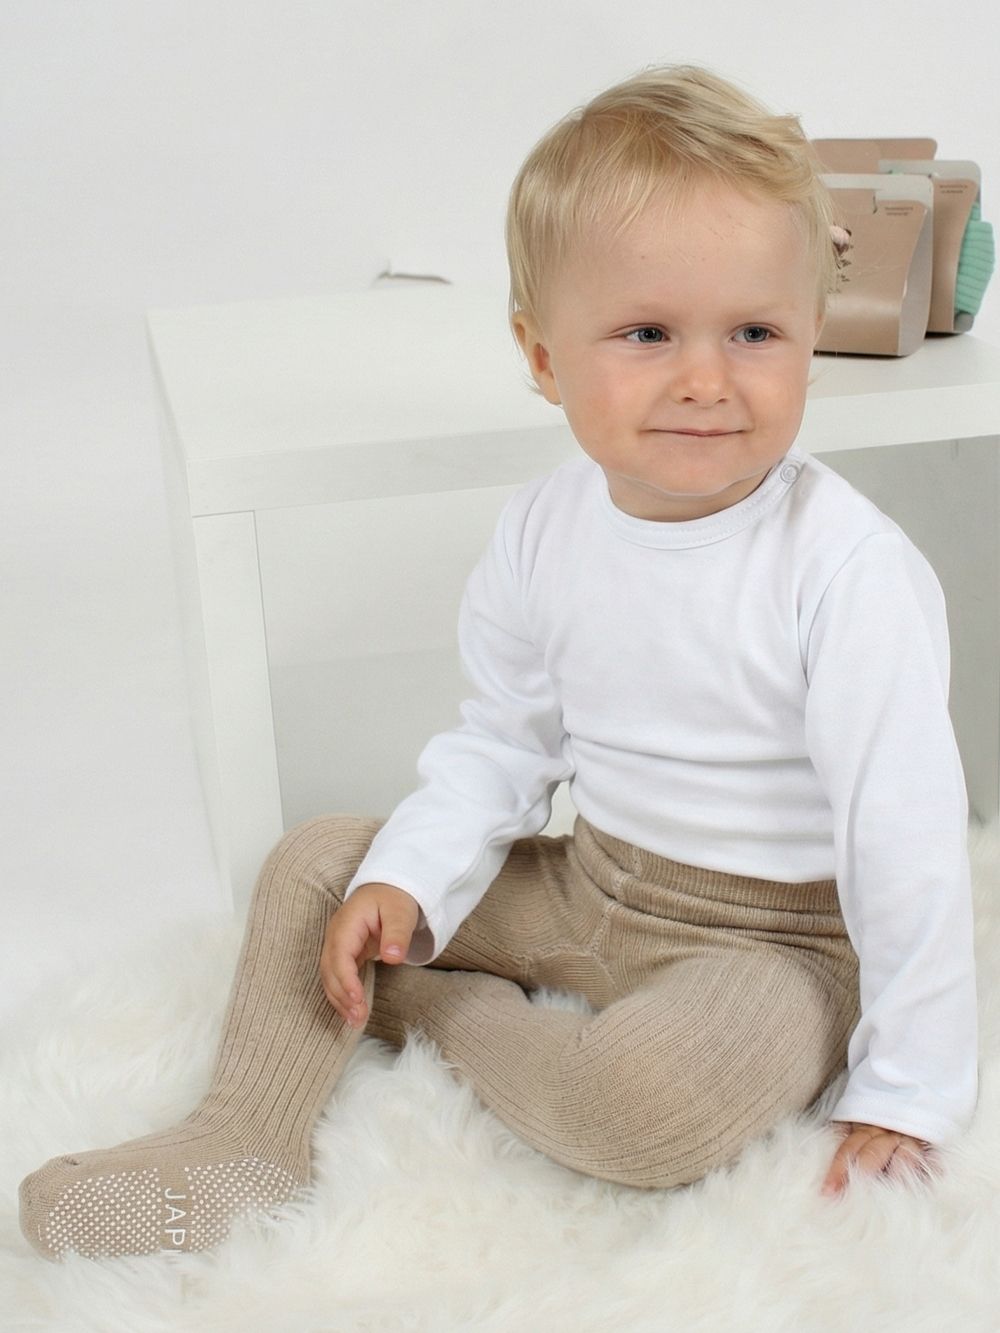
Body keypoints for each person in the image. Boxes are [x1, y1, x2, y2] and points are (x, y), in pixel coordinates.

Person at [20, 64, 977, 1262]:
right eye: (646, 333)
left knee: (646, 1107)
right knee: (318, 863)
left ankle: (425, 1004)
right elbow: (502, 746)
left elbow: (905, 837)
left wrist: (907, 1086)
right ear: (542, 356)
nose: (705, 378)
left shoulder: (843, 569)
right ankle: (243, 1139)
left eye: (755, 332)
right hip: (593, 879)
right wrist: (410, 881)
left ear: (809, 340)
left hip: (771, 944)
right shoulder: (545, 528)